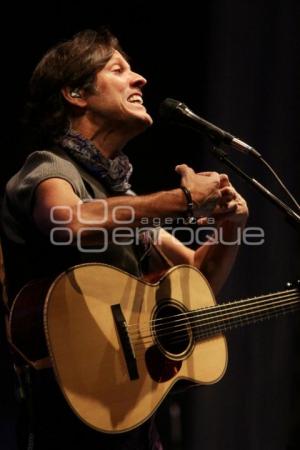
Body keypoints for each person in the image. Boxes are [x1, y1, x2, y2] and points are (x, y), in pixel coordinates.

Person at [0, 28, 248, 450]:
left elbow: (194, 281)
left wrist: (231, 226)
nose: (140, 80)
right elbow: (70, 221)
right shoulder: (49, 167)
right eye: (119, 69)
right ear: (76, 94)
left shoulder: (120, 199)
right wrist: (182, 199)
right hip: (63, 418)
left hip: (126, 414)